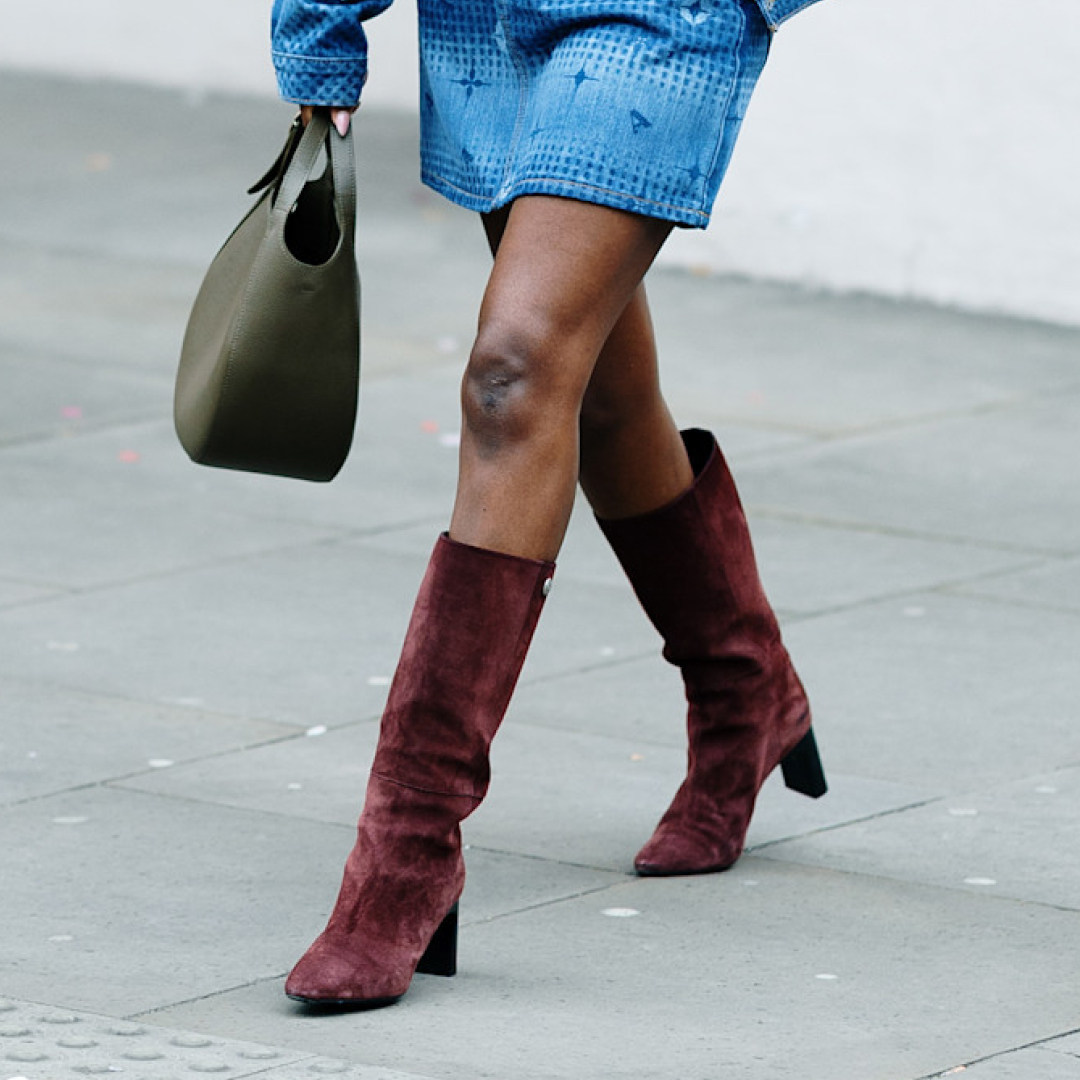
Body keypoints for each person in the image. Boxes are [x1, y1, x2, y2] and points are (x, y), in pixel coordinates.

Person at [271, 0, 829, 1010]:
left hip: (659, 21)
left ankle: (408, 851)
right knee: (601, 398)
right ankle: (748, 690)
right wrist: (318, 27)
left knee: (512, 375)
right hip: (487, 26)